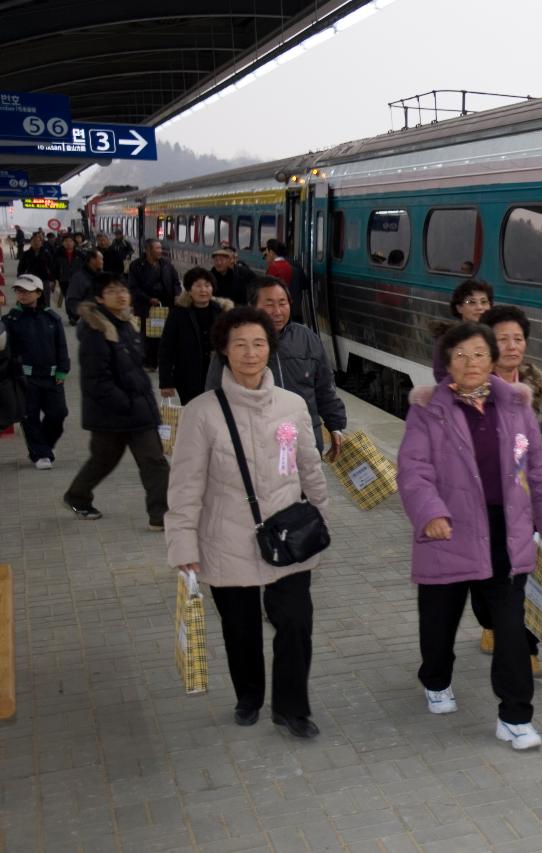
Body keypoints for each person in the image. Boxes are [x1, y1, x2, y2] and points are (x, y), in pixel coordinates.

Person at [397, 322, 542, 750]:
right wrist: (430, 512)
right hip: (448, 529)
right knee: (439, 622)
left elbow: (537, 471)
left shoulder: (516, 405)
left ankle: (514, 716)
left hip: (506, 531)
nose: (469, 363)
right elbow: (413, 469)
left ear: (493, 359)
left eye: (477, 354)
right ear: (446, 363)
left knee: (511, 627)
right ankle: (435, 679)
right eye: (459, 355)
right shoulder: (429, 408)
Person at [166, 306, 329, 739]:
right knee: (240, 627)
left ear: (269, 348)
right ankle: (249, 695)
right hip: (225, 538)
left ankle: (292, 707)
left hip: (288, 535)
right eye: (239, 344)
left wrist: (321, 520)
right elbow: (184, 486)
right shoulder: (201, 412)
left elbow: (310, 468)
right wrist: (183, 547)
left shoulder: (292, 405)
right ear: (223, 350)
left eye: (259, 343)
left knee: (295, 623)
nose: (251, 353)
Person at [472, 303, 542, 673]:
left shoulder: (539, 380)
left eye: (518, 339)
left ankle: (525, 651)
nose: (512, 347)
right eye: (502, 340)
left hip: (526, 500)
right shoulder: (472, 386)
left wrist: (534, 449)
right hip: (484, 502)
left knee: (518, 579)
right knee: (485, 579)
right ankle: (490, 621)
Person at [64, 272, 170, 527]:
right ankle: (77, 496)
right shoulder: (95, 332)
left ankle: (161, 515)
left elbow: (135, 371)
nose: (121, 295)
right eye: (112, 291)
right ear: (100, 298)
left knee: (154, 462)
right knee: (104, 460)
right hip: (113, 412)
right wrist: (129, 405)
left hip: (136, 410)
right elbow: (97, 382)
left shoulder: (126, 325)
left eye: (124, 290)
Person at [204, 277, 345, 456]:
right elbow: (215, 392)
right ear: (252, 306)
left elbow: (325, 387)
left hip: (304, 439)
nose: (277, 311)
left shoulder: (307, 338)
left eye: (282, 303)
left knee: (309, 481)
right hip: (255, 444)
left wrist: (336, 426)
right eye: (269, 304)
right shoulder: (234, 341)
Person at [2, 274, 69, 468]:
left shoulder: (52, 318)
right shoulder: (10, 320)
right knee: (29, 417)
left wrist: (62, 371)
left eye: (26, 291)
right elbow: (7, 352)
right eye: (19, 291)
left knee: (58, 414)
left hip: (52, 376)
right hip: (25, 378)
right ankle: (40, 454)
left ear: (38, 293)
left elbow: (62, 347)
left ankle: (45, 446)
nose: (22, 295)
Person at [160, 267, 233, 404]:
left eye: (207, 285)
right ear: (189, 289)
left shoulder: (222, 312)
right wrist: (165, 381)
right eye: (198, 285)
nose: (203, 290)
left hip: (217, 375)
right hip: (188, 376)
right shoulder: (178, 313)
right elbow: (166, 347)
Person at [127, 238, 180, 369]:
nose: (160, 251)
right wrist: (148, 299)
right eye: (157, 248)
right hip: (146, 306)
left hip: (165, 305)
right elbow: (133, 287)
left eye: (160, 248)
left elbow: (175, 281)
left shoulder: (166, 264)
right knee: (148, 334)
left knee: (165, 334)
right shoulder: (136, 265)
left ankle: (163, 360)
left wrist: (177, 294)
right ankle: (149, 361)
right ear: (148, 250)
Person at [430, 279, 494, 381]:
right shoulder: (446, 340)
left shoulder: (494, 336)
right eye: (472, 302)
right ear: (459, 308)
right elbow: (441, 375)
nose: (479, 307)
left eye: (484, 302)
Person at [65, 247, 103, 323]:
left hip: (104, 318)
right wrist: (86, 312)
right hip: (89, 320)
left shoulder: (102, 276)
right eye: (101, 259)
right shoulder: (79, 277)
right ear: (92, 260)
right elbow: (71, 300)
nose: (103, 262)